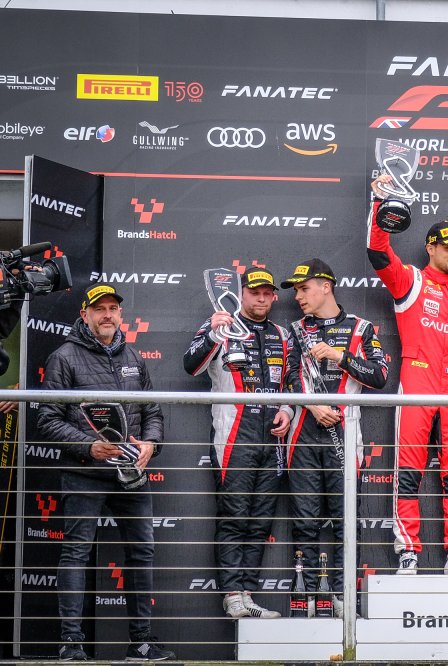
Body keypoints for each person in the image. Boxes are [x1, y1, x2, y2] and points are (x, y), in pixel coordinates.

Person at [37, 283, 174, 661]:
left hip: (131, 474)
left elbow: (153, 412)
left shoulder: (133, 356)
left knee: (142, 553)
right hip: (85, 471)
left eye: (113, 308)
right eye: (100, 309)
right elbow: (47, 420)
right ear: (85, 314)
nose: (107, 315)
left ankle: (141, 643)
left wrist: (150, 444)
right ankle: (71, 644)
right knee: (76, 554)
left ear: (120, 314)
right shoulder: (64, 357)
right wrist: (89, 447)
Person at [367, 177, 448, 574]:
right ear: (430, 247)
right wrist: (379, 202)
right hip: (417, 380)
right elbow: (377, 251)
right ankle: (408, 551)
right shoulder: (411, 280)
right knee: (409, 473)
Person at [280, 257, 388, 613]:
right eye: (296, 291)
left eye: (304, 289)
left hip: (345, 433)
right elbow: (288, 377)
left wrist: (340, 356)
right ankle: (307, 598)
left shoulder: (362, 328)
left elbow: (379, 376)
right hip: (303, 433)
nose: (298, 297)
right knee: (305, 522)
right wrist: (312, 405)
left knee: (346, 521)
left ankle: (342, 598)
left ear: (325, 287)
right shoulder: (296, 329)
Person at [183, 268, 291, 620]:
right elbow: (192, 366)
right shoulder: (221, 325)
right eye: (254, 292)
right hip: (233, 437)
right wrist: (214, 333)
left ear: (274, 297)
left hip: (273, 440)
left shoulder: (282, 335)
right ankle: (232, 594)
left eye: (266, 293)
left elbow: (293, 382)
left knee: (260, 523)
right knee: (234, 517)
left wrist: (288, 409)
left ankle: (247, 594)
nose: (260, 298)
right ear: (241, 294)